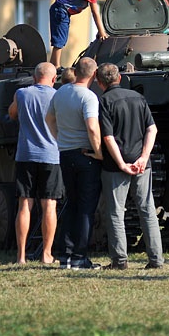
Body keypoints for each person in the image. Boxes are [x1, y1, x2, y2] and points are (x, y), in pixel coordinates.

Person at [95, 63, 164, 270]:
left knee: (116, 212)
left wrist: (122, 164)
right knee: (147, 210)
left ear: (99, 83)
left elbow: (108, 137)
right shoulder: (138, 98)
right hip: (143, 165)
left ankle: (120, 260)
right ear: (120, 78)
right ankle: (156, 260)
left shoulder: (104, 101)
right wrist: (143, 157)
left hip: (116, 166)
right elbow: (152, 129)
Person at [45, 57, 104, 269]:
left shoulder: (61, 92)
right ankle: (80, 257)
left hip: (65, 153)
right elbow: (92, 127)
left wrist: (59, 138)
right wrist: (98, 152)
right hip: (85, 154)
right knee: (86, 208)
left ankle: (65, 256)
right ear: (94, 75)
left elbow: (49, 118)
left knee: (71, 203)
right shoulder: (89, 97)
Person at [8, 62, 63, 265]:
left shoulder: (22, 94)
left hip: (25, 155)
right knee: (49, 205)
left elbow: (12, 113)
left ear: (33, 77)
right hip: (52, 156)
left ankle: (21, 256)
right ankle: (46, 254)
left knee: (25, 204)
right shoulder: (58, 96)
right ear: (53, 78)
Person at [49, 0, 116, 68]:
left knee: (61, 38)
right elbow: (95, 12)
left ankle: (53, 63)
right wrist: (102, 32)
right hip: (60, 10)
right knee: (60, 38)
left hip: (62, 11)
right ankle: (56, 65)